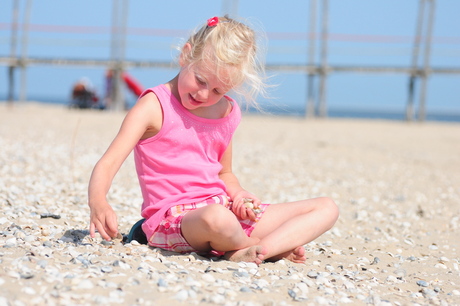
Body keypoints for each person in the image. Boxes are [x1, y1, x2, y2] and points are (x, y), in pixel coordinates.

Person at [88, 16, 339, 265]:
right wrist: (99, 202)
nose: (204, 94)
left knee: (326, 207)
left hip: (225, 209)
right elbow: (109, 162)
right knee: (217, 219)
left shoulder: (225, 111)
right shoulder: (153, 106)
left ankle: (257, 249)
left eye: (219, 90)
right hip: (175, 220)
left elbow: (225, 173)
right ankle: (261, 245)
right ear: (186, 55)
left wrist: (239, 195)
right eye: (200, 80)